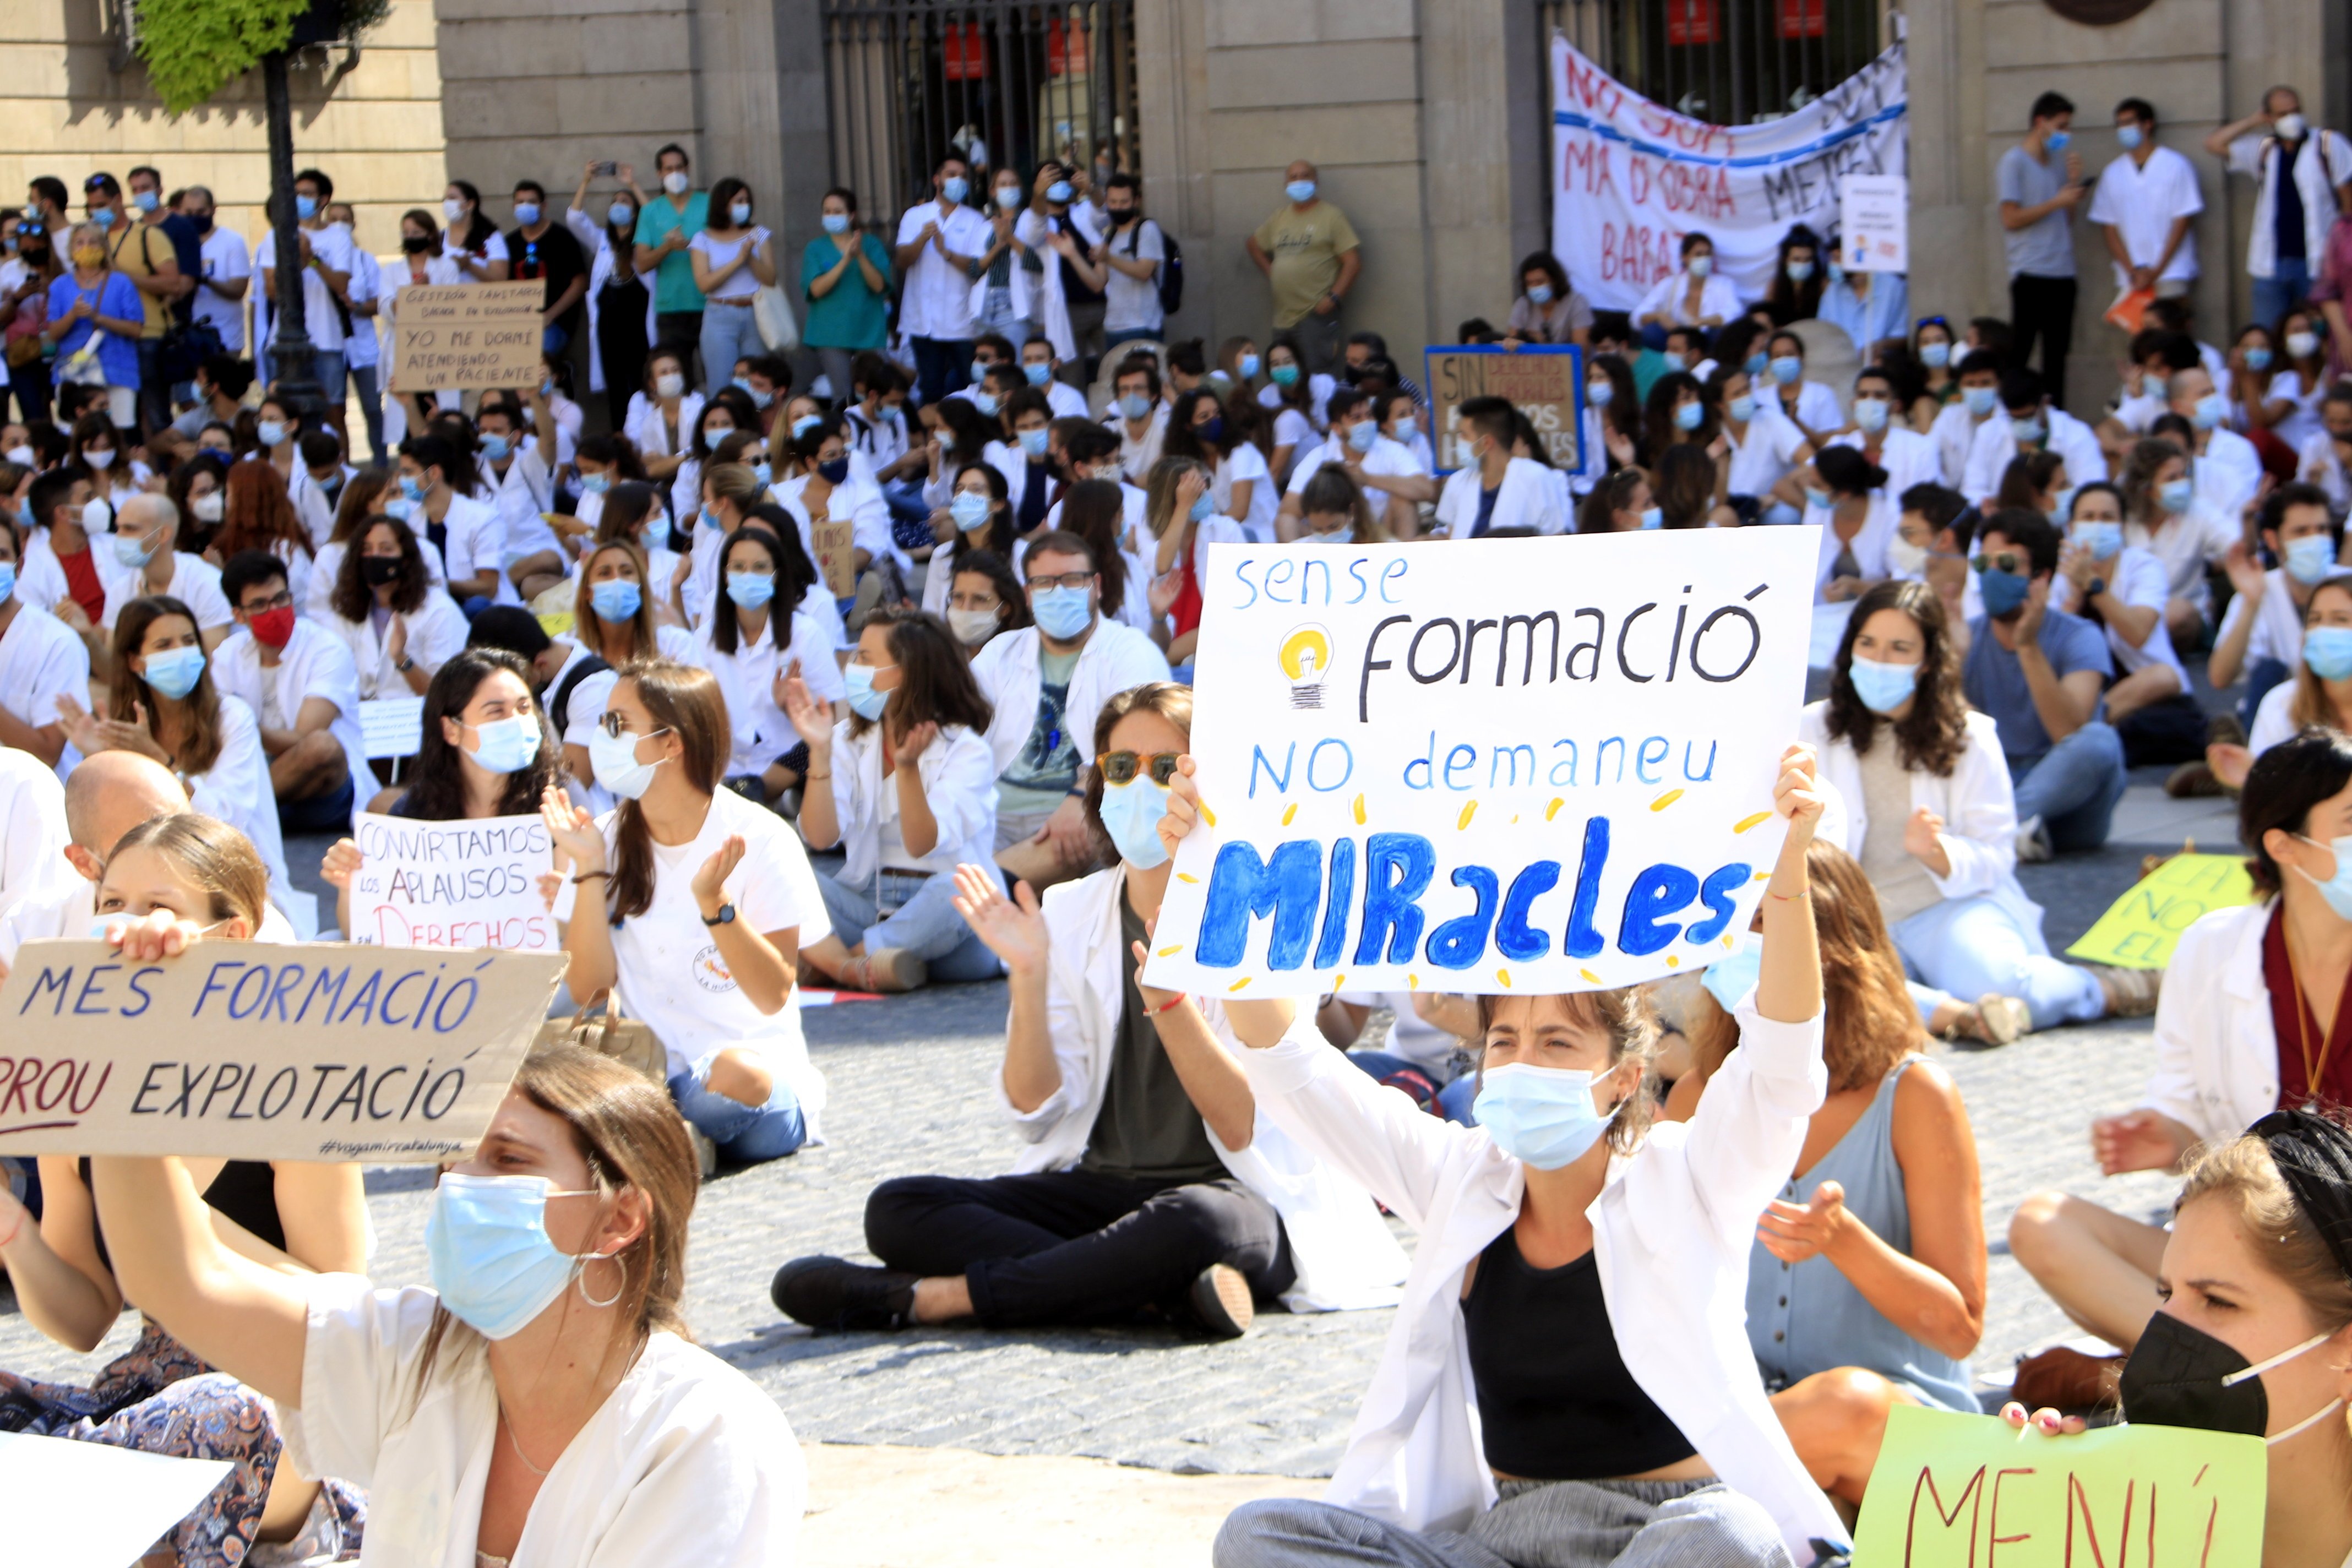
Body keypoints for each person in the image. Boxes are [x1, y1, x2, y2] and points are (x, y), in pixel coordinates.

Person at [1207, 742, 1844, 1567]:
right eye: (1504, 1041)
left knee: (1731, 1537)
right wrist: (1223, 849)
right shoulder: (1457, 1176)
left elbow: (1784, 1065)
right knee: (1257, 1535)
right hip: (1500, 1545)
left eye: (1555, 1042)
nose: (1519, 1063)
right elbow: (1289, 1064)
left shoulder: (1690, 1177)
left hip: (1664, 1541)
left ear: (1620, 1079)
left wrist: (1785, 871)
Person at [774, 680, 1408, 1337]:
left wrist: (1170, 1001)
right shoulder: (1073, 908)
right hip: (1102, 1190)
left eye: (1166, 768)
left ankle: (937, 1299)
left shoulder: (1270, 910)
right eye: (1121, 767)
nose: (1141, 785)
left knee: (1200, 1225)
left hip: (1238, 1190)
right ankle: (1147, 1288)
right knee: (898, 1207)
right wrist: (1027, 975)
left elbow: (1243, 1123)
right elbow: (1037, 1113)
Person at [93, 1032, 804, 1566]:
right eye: (449, 1161)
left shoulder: (707, 1434)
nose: (457, 1186)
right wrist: (139, 1040)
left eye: (507, 1159)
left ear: (620, 1218)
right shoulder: (415, 1352)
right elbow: (180, 1281)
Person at [0, 813, 367, 1565]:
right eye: (111, 905)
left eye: (159, 907)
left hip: (278, 1411)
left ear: (230, 938)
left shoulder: (293, 1086)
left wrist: (153, 1167)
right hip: (146, 1400)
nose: (129, 926)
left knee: (224, 1412)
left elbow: (341, 1318)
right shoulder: (80, 1092)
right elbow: (84, 1319)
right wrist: (13, 1231)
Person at [2010, 732, 2352, 1378]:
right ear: (2283, 844)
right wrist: (2166, 1137)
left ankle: (2196, 1372)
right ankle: (2227, 1372)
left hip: (2343, 1267)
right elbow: (2183, 1104)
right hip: (2248, 1257)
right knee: (2042, 1223)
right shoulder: (2212, 946)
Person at [1660, 841, 1985, 1507]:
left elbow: (1958, 1328)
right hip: (1761, 1426)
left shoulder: (1916, 1095)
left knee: (1845, 1403)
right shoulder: (1696, 1096)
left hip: (1896, 1431)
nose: (1741, 953)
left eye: (1765, 929)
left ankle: (1648, 1482)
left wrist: (1843, 1240)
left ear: (1833, 947)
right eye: (1734, 930)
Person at [1809, 579, 2153, 1043]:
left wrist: (1940, 854)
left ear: (1928, 660)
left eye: (1899, 648)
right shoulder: (1810, 729)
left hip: (1945, 908)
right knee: (1827, 993)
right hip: (1854, 921)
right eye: (1866, 644)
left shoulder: (1971, 736)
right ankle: (1956, 1014)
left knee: (2009, 984)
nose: (1878, 661)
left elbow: (1997, 853)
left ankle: (2107, 988)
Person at [542, 657, 824, 1163]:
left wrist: (716, 908)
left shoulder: (761, 837)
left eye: (617, 725)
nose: (601, 738)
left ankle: (664, 1136)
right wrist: (585, 868)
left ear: (671, 743)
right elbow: (590, 989)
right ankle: (675, 1137)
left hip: (756, 1089)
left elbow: (772, 994)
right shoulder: (602, 839)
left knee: (737, 1074)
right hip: (650, 1073)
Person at [784, 607, 1003, 992]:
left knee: (960, 888)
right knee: (786, 871)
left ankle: (843, 964)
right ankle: (877, 964)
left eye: (866, 659)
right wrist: (818, 751)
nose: (854, 668)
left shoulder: (967, 750)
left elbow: (922, 844)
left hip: (952, 919)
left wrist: (907, 769)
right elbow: (820, 839)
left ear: (907, 673)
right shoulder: (847, 739)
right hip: (870, 903)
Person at [61, 595, 293, 919]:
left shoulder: (231, 717)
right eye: (165, 645)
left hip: (235, 884)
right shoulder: (127, 726)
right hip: (151, 888)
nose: (181, 654)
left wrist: (161, 763)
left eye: (188, 642)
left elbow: (227, 819)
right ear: (135, 661)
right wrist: (99, 757)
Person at [972, 530, 1170, 890]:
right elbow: (961, 726)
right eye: (1045, 582)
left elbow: (1135, 748)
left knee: (970, 886)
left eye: (1072, 580)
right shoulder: (1002, 651)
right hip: (992, 813)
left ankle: (880, 942)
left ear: (1096, 586)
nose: (1059, 591)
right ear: (1029, 595)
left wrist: (1080, 798)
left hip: (1077, 816)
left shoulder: (1131, 652)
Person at [318, 645, 563, 934]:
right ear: (451, 729)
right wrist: (350, 885)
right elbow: (364, 931)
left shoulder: (556, 810)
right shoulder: (414, 811)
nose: (517, 722)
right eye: (496, 712)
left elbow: (572, 937)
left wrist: (567, 902)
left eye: (524, 708)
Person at [1963, 509, 2128, 859]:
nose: (1991, 575)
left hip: (2067, 801)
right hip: (1992, 783)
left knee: (2101, 741)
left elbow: (2068, 732)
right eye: (1982, 564)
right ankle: (2012, 832)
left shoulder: (2079, 636)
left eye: (2006, 565)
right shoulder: (1967, 635)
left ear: (2041, 577)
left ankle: (2004, 829)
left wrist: (2027, 646)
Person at [213, 550, 368, 835]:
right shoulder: (228, 655)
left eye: (281, 599)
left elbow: (304, 740)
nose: (275, 611)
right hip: (259, 775)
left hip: (323, 790)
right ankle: (249, 816)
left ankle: (225, 819)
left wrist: (246, 726)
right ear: (239, 615)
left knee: (321, 747)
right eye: (260, 605)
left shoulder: (326, 648)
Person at [2056, 479, 2205, 767]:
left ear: (2123, 527)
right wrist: (2073, 600)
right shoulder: (2064, 575)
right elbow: (2053, 648)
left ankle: (2087, 732)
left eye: (2107, 518)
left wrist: (2094, 587)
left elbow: (2138, 633)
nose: (2098, 525)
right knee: (2138, 735)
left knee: (2163, 678)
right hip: (2086, 692)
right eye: (2088, 518)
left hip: (2143, 694)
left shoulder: (2143, 566)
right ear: (2071, 527)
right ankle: (2094, 736)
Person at [695, 521, 841, 803]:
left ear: (776, 575)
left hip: (785, 764)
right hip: (723, 767)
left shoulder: (805, 633)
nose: (748, 576)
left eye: (760, 567)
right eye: (738, 567)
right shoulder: (705, 639)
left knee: (813, 746)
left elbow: (828, 721)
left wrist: (789, 708)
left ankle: (764, 795)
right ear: (725, 575)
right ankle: (744, 798)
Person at [2208, 85, 2352, 331]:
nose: (2292, 118)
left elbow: (2348, 200)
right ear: (2271, 117)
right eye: (2283, 114)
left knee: (2324, 335)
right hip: (2271, 265)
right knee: (2267, 334)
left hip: (2319, 263)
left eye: (2296, 111)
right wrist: (2254, 121)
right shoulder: (2264, 150)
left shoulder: (2327, 144)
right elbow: (2214, 143)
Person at [2212, 484, 2342, 737]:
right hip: (2277, 717)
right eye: (2301, 532)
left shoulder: (2346, 585)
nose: (2315, 540)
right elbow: (2220, 678)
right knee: (2269, 671)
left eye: (2323, 530)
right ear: (2273, 539)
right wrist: (2251, 603)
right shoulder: (2260, 589)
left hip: (2339, 708)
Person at [322, 511, 469, 704]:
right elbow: (336, 682)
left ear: (406, 559)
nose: (374, 557)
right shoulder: (347, 609)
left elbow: (445, 695)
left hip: (419, 717)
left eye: (386, 549)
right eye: (366, 549)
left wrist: (402, 659)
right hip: (365, 717)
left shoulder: (438, 610)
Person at [1998, 91, 2087, 406]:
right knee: (2020, 351)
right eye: (2061, 126)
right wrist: (2055, 202)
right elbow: (2010, 218)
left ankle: (2055, 418)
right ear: (2041, 123)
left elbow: (2068, 218)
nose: (2065, 134)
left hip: (2063, 272)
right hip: (2031, 271)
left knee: (2057, 358)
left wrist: (2073, 186)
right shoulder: (2014, 161)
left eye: (2068, 128)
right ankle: (2012, 411)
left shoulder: (2058, 164)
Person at [2119, 434, 2239, 646]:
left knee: (2177, 614)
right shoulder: (2122, 518)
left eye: (2184, 475)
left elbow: (2236, 546)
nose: (2182, 483)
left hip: (2181, 620)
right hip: (2125, 615)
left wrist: (2248, 523)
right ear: (2146, 488)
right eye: (2171, 479)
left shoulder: (2199, 511)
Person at [895, 155, 992, 405]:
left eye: (962, 176)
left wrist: (945, 251)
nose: (957, 181)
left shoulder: (975, 220)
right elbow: (902, 261)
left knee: (973, 388)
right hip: (923, 323)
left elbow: (976, 268)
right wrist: (922, 240)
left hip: (962, 324)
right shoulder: (915, 216)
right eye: (951, 174)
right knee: (931, 392)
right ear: (937, 180)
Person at [1246, 161, 1359, 376]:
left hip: (1315, 316)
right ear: (1286, 183)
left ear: (1315, 181)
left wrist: (1334, 298)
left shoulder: (1331, 216)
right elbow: (1253, 245)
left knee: (1316, 377)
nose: (1299, 181)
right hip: (1283, 317)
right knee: (1285, 378)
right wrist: (1273, 273)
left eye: (1305, 176)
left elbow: (1353, 262)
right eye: (1294, 177)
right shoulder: (1280, 217)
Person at [2090, 97, 2202, 311]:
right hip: (2131, 278)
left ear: (2148, 124)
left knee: (2171, 336)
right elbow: (2109, 226)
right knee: (2141, 340)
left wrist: (2156, 270)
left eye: (2130, 122)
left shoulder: (2175, 165)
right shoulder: (2113, 173)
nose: (2124, 129)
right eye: (2120, 124)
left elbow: (2183, 220)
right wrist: (2132, 271)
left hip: (2171, 270)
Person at [0, 507, 90, 769]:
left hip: (32, 799)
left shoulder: (57, 642)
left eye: (1, 555)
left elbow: (48, 753)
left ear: (20, 566)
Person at [567, 161, 654, 432]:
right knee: (616, 385)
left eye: (625, 201)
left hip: (639, 324)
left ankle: (644, 433)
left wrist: (632, 184)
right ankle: (620, 436)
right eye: (615, 201)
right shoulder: (602, 240)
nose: (619, 205)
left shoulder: (646, 239)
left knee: (641, 382)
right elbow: (574, 219)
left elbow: (655, 215)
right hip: (609, 326)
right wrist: (586, 181)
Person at [100, 492, 233, 661]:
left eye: (130, 529)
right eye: (118, 528)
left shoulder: (207, 584)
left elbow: (211, 665)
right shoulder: (120, 590)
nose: (118, 537)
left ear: (162, 535)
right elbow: (116, 663)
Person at [43, 220, 144, 433]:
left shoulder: (121, 283)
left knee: (118, 433)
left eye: (93, 242)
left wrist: (101, 319)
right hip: (73, 373)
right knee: (73, 434)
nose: (86, 247)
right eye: (79, 243)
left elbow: (136, 329)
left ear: (104, 248)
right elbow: (53, 333)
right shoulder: (60, 286)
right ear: (71, 248)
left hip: (116, 371)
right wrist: (73, 315)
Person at [1961, 368, 2108, 506]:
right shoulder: (1988, 433)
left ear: (2045, 402)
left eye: (2028, 417)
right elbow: (1972, 489)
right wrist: (1989, 504)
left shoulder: (2077, 435)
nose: (2021, 423)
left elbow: (2092, 490)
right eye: (2014, 418)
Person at [803, 186, 892, 405]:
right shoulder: (816, 248)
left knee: (876, 392)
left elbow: (880, 285)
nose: (831, 216)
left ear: (851, 215)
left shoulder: (871, 245)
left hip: (868, 331)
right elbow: (816, 289)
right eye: (827, 211)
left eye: (837, 211)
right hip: (830, 334)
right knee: (842, 396)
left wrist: (859, 255)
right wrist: (845, 260)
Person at [686, 178, 774, 398]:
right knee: (721, 386)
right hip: (719, 316)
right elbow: (704, 284)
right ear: (722, 204)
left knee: (758, 385)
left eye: (746, 200)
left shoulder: (759, 233)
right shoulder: (702, 239)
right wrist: (738, 260)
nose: (744, 205)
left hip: (755, 313)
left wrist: (750, 259)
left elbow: (771, 278)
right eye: (738, 201)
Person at [1431, 395, 1566, 538]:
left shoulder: (1536, 478)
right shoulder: (1457, 481)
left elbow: (1556, 538)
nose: (1459, 441)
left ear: (1487, 443)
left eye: (1464, 435)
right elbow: (1451, 537)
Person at [633, 143, 709, 368]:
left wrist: (695, 246)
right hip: (670, 309)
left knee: (717, 378)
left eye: (679, 168)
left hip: (709, 304)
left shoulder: (709, 204)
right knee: (678, 379)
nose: (675, 174)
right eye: (669, 169)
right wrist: (668, 247)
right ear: (660, 174)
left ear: (688, 169)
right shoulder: (650, 211)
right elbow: (642, 263)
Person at [215, 456, 317, 613]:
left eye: (230, 493)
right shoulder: (235, 542)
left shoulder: (285, 552)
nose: (226, 501)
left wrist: (219, 575)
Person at [507, 178, 587, 358]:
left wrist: (550, 316)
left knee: (535, 357)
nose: (525, 206)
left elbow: (580, 283)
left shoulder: (562, 238)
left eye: (531, 202)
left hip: (555, 323)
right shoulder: (509, 243)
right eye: (520, 202)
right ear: (513, 206)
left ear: (543, 206)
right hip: (518, 323)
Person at [1804, 445, 1895, 603]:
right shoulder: (1816, 509)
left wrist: (1857, 587)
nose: (1810, 490)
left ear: (1844, 494)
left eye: (1817, 486)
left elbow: (1904, 581)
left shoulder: (1891, 514)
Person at [1095, 173, 1167, 350]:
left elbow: (1144, 272)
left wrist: (1109, 259)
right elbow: (1098, 282)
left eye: (1124, 202)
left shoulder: (1147, 229)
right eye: (1113, 202)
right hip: (1113, 325)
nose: (1118, 208)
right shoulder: (1109, 234)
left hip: (1142, 324)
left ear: (1136, 201)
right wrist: (1072, 254)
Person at [1632, 232, 1741, 338]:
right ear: (1684, 257)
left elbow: (1735, 312)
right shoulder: (1669, 284)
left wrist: (1704, 321)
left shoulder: (1724, 284)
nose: (1704, 259)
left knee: (1720, 334)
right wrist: (1659, 316)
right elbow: (1637, 316)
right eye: (1698, 255)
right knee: (1651, 332)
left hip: (1706, 340)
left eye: (1708, 254)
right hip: (1676, 340)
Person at [1502, 251, 1590, 347]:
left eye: (1540, 282)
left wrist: (1543, 345)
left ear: (1554, 280)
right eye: (1529, 283)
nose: (1534, 287)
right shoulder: (1522, 305)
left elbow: (1582, 350)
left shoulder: (1576, 303)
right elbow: (1512, 340)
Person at [1764, 224, 1826, 326]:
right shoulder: (1775, 287)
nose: (1802, 264)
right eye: (1797, 260)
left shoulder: (1823, 286)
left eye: (1808, 260)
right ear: (1785, 260)